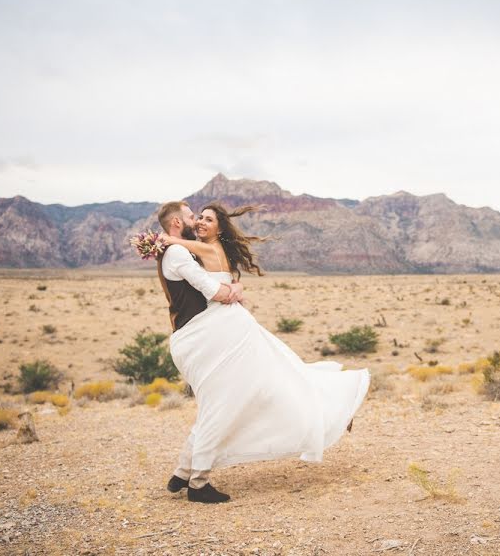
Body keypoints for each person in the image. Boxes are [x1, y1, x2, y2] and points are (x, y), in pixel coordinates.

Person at [156, 201, 370, 504]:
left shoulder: (190, 248)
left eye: (205, 218)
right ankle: (192, 476)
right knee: (242, 394)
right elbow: (216, 289)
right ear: (178, 222)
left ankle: (189, 474)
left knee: (263, 385)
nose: (198, 222)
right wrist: (232, 290)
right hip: (220, 333)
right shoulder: (185, 250)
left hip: (227, 333)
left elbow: (218, 282)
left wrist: (230, 287)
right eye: (195, 217)